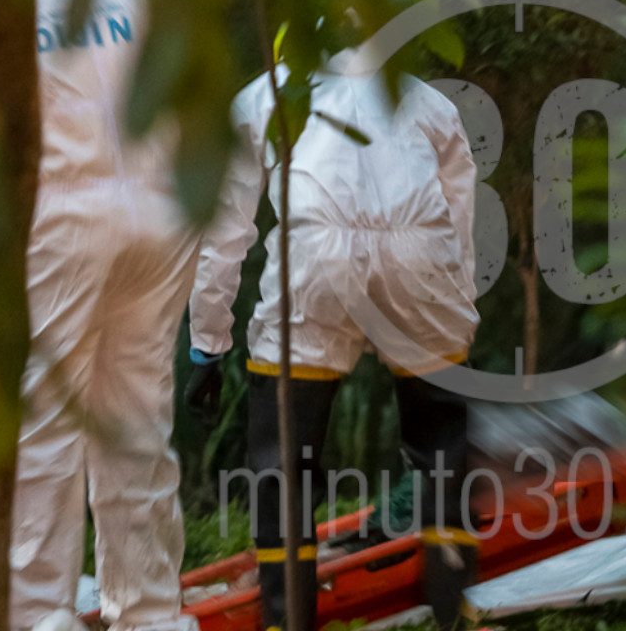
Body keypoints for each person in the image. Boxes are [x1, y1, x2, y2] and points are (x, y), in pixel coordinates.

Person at [184, 45, 480, 630]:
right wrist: (457, 309)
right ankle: (456, 616)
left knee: (282, 465)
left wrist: (208, 341)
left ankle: (286, 621)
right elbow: (460, 210)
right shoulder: (426, 99)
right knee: (444, 447)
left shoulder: (263, 95)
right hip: (422, 259)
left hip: (315, 260)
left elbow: (225, 228)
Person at [9, 0, 198, 631]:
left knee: (43, 433)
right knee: (137, 428)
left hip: (62, 220)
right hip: (160, 216)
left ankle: (36, 616)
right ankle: (151, 613)